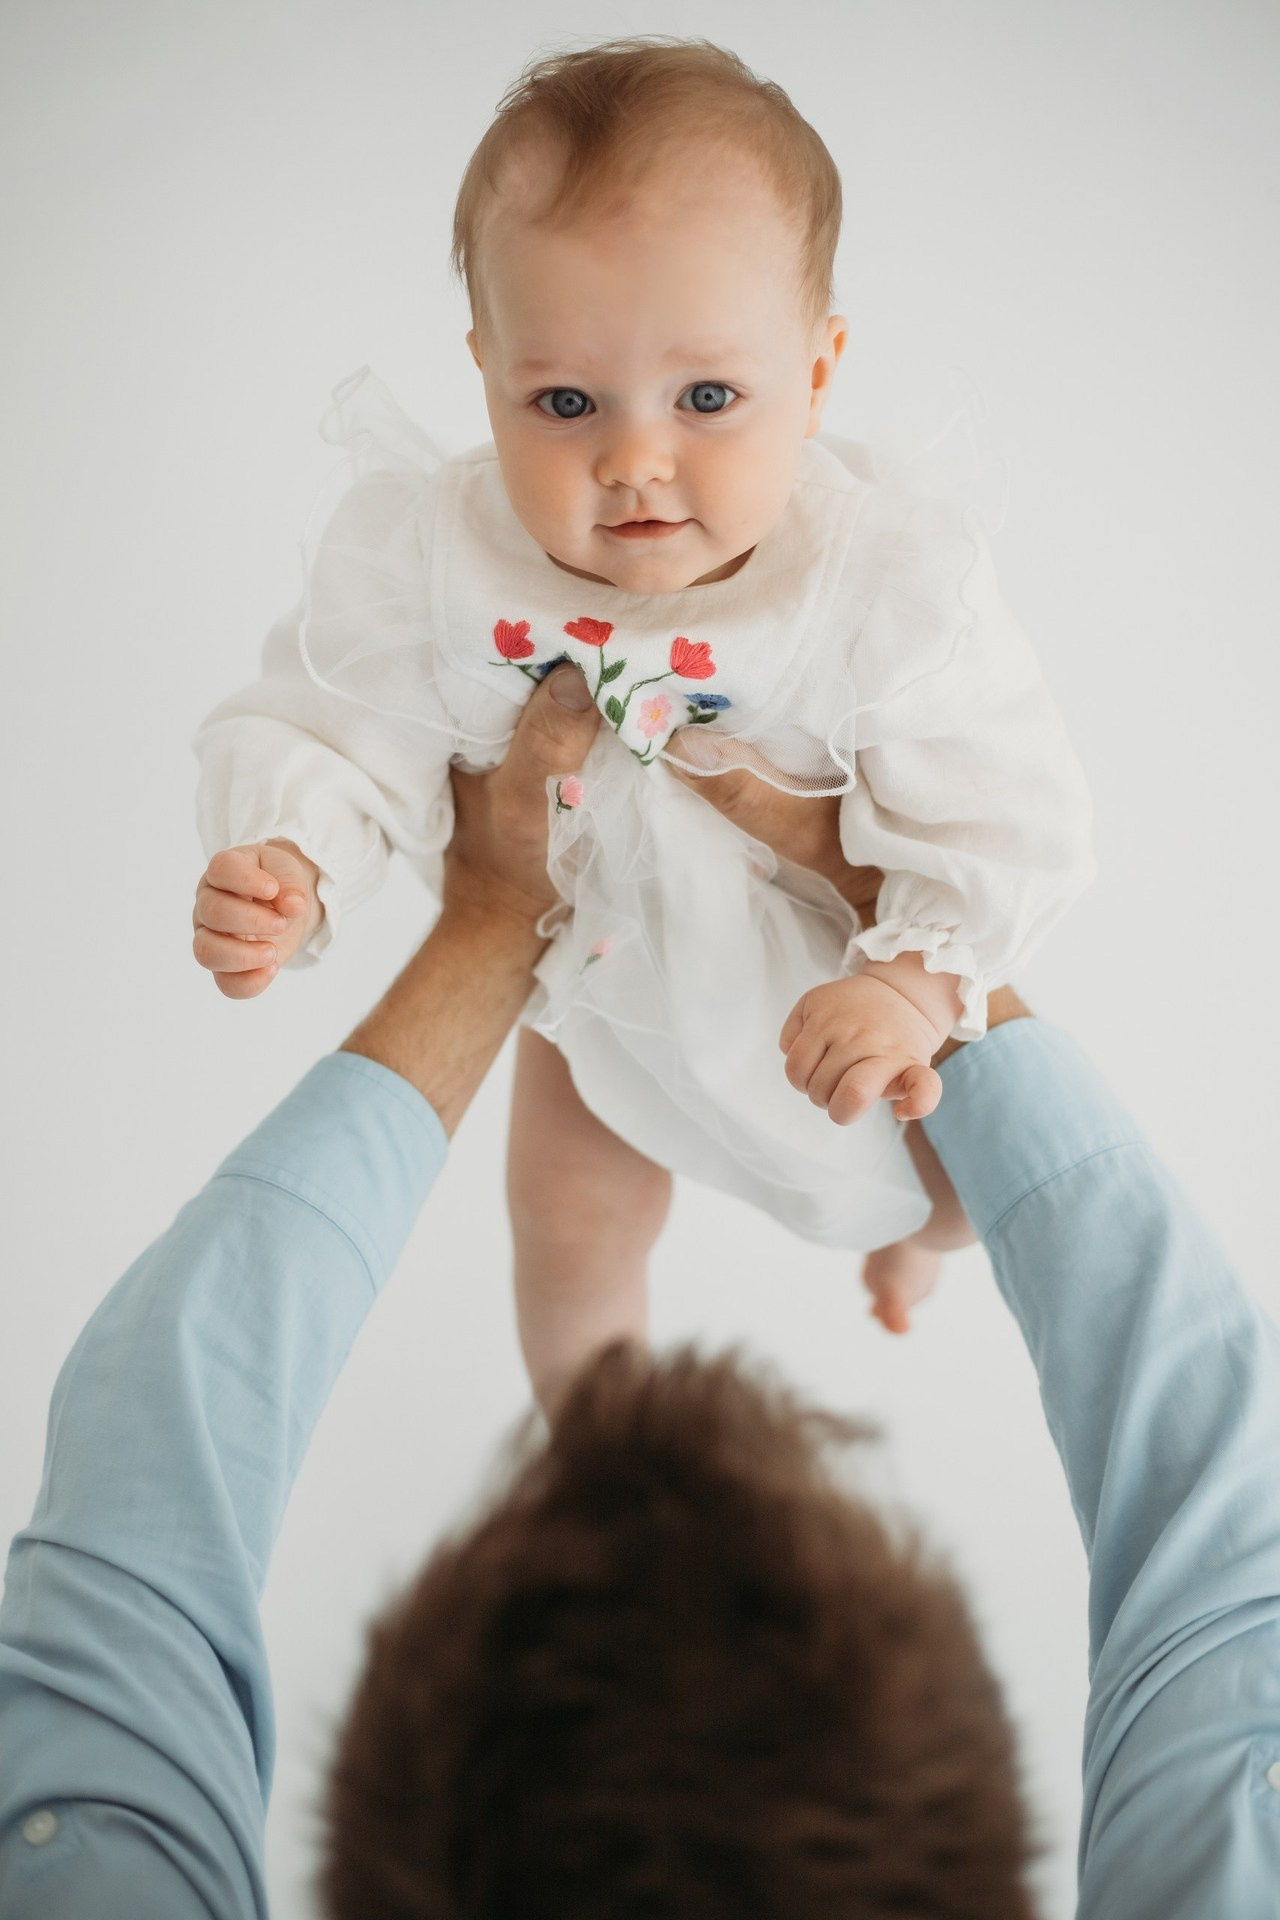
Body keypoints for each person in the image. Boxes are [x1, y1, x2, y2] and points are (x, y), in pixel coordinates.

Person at [3, 665, 1278, 1918]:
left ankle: (869, 1261)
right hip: (760, 992)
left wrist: (487, 923)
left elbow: (137, 1511)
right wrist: (899, 915)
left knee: (925, 1199)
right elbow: (1218, 1513)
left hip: (741, 1004)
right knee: (885, 1189)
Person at [189, 37, 1094, 1408]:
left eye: (710, 399)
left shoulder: (879, 581)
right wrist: (289, 855)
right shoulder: (438, 551)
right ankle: (595, 1452)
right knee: (568, 1218)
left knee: (960, 1178)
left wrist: (910, 983)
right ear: (485, 370)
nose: (634, 461)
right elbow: (336, 711)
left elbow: (1006, 809)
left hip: (819, 975)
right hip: (590, 981)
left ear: (820, 366)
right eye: (563, 403)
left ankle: (921, 1260)